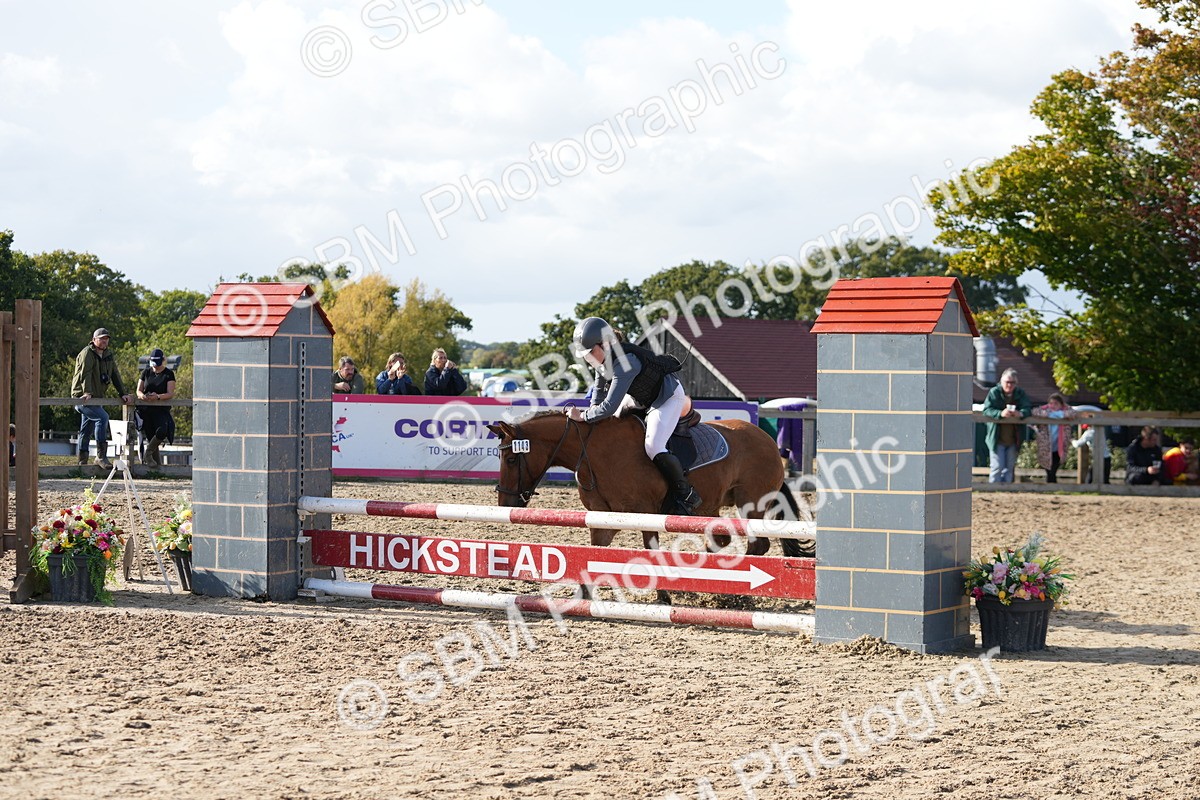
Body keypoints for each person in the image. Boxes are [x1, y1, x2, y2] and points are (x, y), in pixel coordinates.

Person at [564, 317, 701, 515]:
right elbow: (599, 394)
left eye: (590, 352)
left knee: (653, 446)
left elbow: (609, 406)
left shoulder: (625, 362)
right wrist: (592, 414)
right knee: (612, 423)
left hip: (666, 397)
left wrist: (583, 416)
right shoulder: (602, 360)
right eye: (585, 355)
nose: (588, 359)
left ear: (605, 344)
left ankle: (686, 494)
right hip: (641, 397)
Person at [70, 328, 130, 470]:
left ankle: (82, 462)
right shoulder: (87, 353)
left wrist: (123, 393)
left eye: (106, 339)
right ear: (94, 340)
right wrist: (87, 392)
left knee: (86, 429)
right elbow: (85, 374)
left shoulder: (108, 355)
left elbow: (115, 374)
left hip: (96, 398)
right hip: (82, 397)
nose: (104, 341)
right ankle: (100, 456)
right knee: (102, 418)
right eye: (101, 338)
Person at [982, 368, 1032, 483]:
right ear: (1001, 381)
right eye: (1007, 382)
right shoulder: (994, 392)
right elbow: (987, 410)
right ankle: (993, 489)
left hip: (1014, 439)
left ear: (1016, 383)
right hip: (996, 438)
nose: (1009, 385)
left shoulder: (1020, 393)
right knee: (997, 467)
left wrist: (1020, 413)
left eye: (1012, 382)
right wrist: (1000, 414)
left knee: (1009, 468)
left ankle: (1008, 489)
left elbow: (1027, 408)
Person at [135, 348, 177, 466]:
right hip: (146, 409)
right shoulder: (146, 372)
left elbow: (170, 393)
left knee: (162, 431)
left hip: (161, 409)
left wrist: (157, 396)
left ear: (163, 360)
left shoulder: (168, 374)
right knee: (150, 437)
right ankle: (156, 467)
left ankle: (148, 453)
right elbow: (138, 390)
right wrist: (143, 396)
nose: (155, 366)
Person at [1034, 392, 1075, 483]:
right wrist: (1051, 415)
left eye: (1056, 403)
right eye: (1051, 403)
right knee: (1048, 468)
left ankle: (1051, 485)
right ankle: (1051, 485)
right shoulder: (1044, 411)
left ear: (1061, 404)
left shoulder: (1066, 411)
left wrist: (1058, 414)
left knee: (1054, 467)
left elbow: (1072, 413)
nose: (1053, 406)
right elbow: (1035, 411)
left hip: (1059, 446)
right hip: (1046, 446)